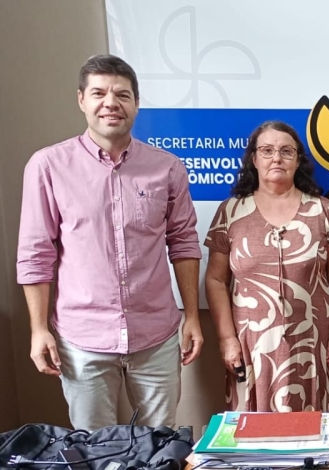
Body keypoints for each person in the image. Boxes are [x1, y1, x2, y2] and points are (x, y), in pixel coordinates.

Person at [16, 54, 203, 430]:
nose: (111, 103)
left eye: (122, 94)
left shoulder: (167, 167)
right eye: (99, 93)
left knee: (159, 444)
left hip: (156, 335)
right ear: (81, 100)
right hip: (81, 339)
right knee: (93, 447)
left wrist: (193, 318)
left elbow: (183, 243)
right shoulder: (48, 166)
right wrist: (38, 329)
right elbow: (36, 254)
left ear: (136, 103)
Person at [205, 121, 329, 413]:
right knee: (255, 429)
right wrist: (226, 339)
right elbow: (216, 280)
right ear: (254, 159)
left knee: (312, 429)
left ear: (298, 160)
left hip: (314, 342)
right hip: (251, 344)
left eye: (286, 151)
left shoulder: (322, 210)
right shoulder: (231, 212)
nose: (277, 158)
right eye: (267, 151)